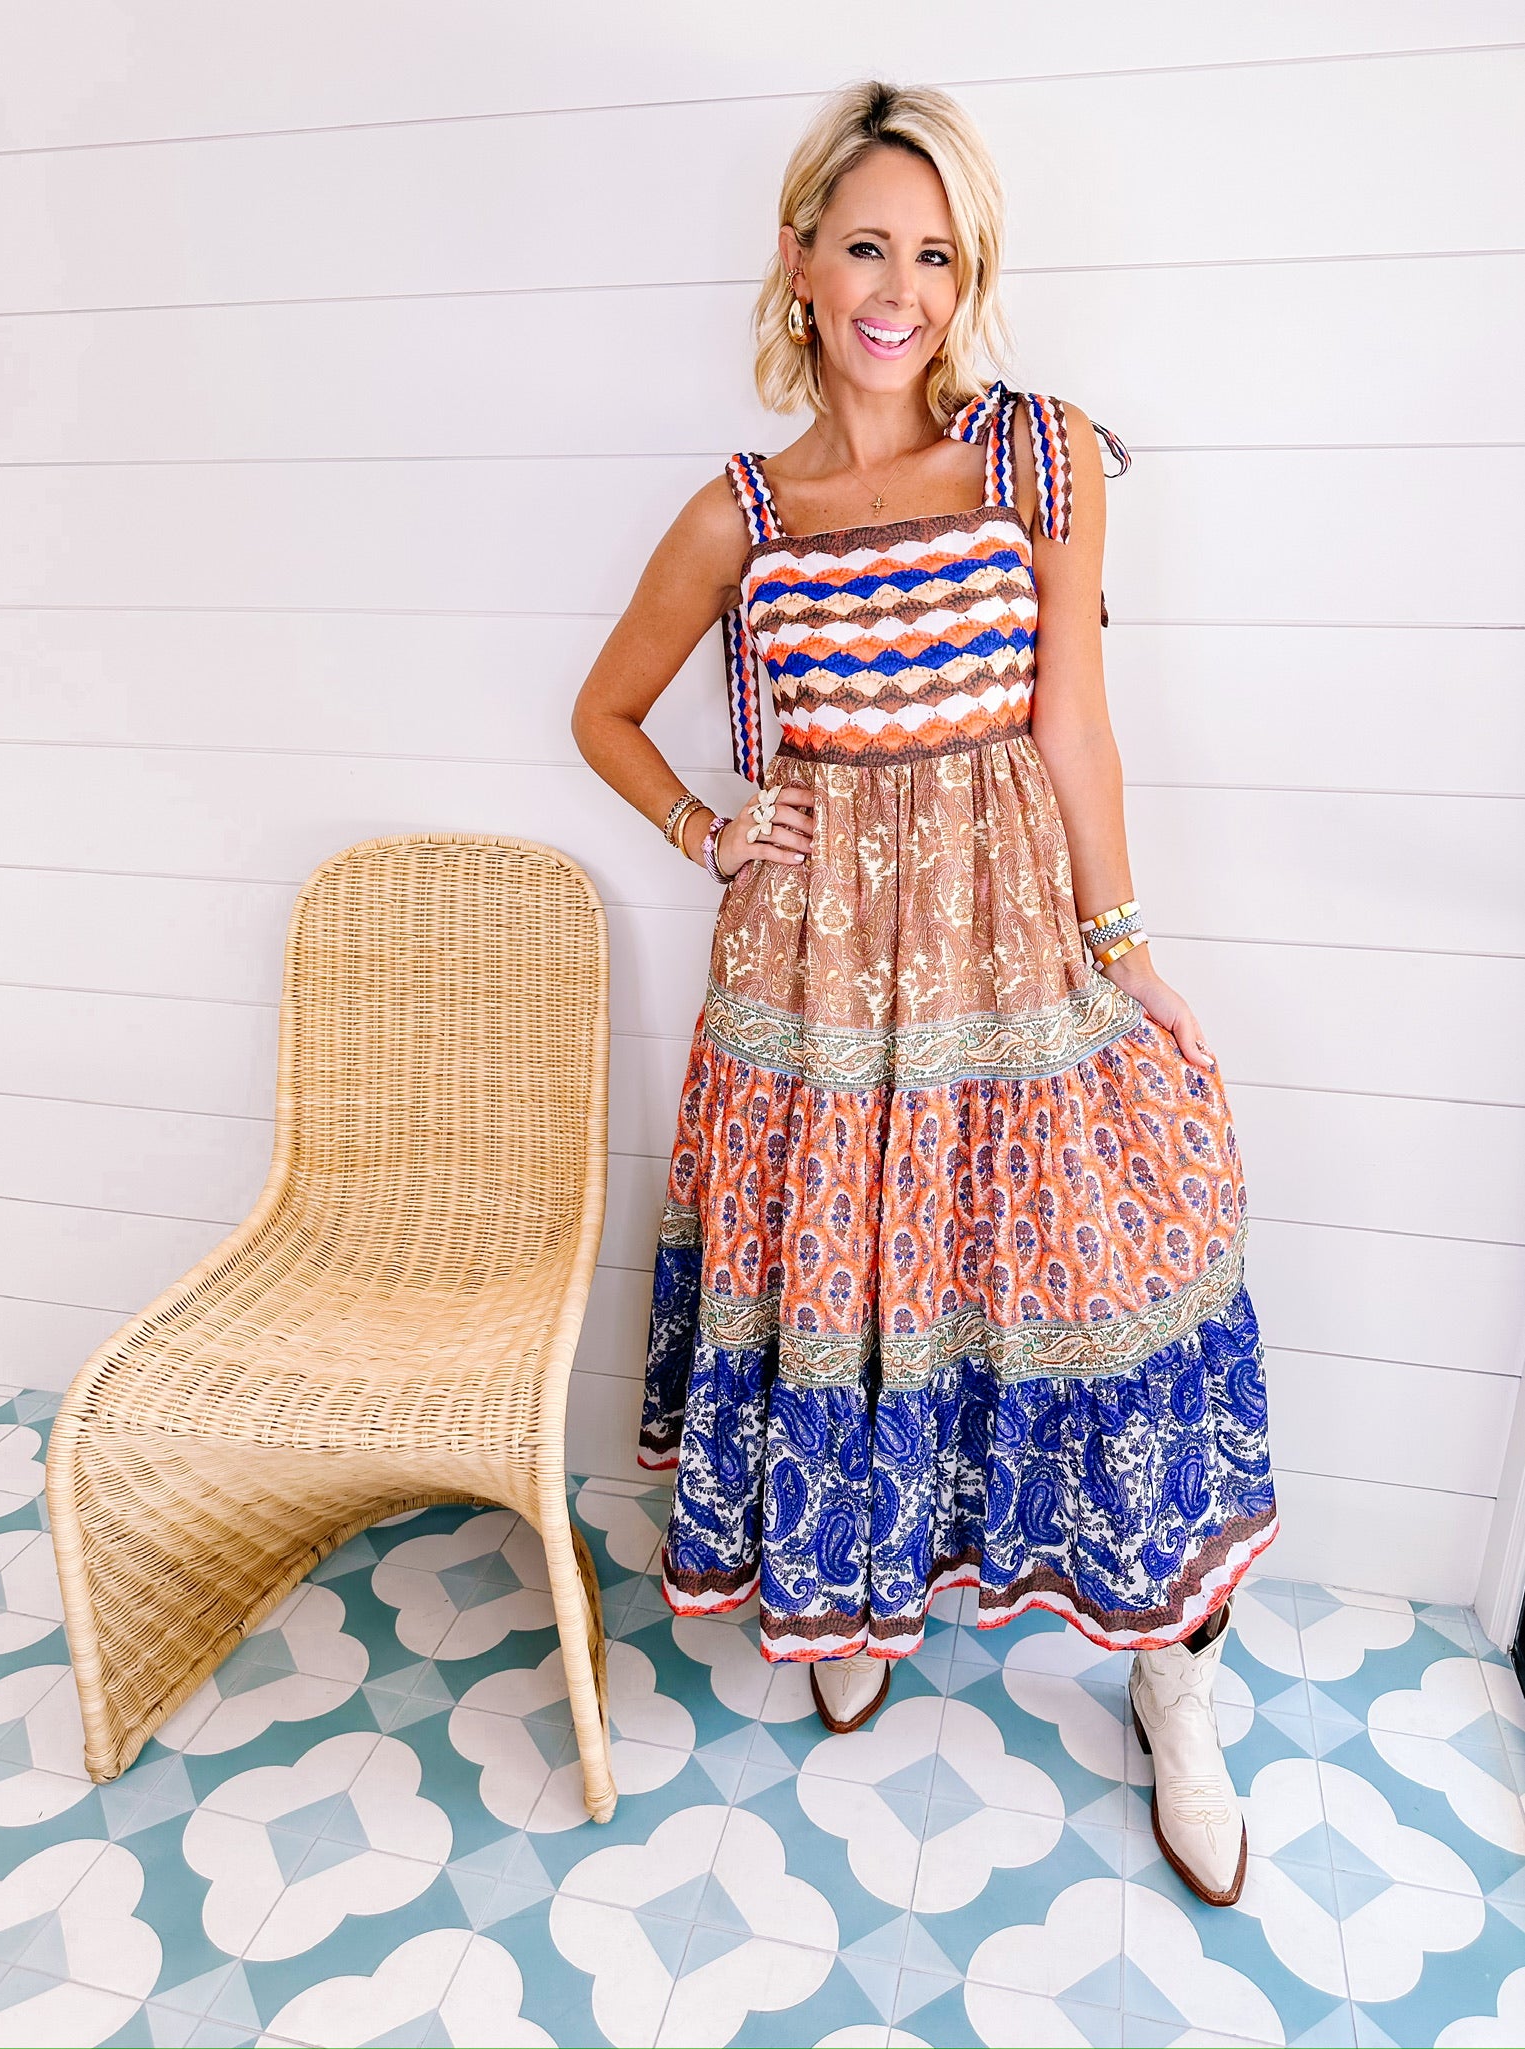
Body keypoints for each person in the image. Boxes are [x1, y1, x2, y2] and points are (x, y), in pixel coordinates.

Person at [570, 78, 1277, 1909]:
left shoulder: (1038, 457)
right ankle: (853, 1587)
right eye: (868, 247)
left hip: (1010, 944)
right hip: (809, 978)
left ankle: (1172, 1675)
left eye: (937, 256)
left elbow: (1072, 725)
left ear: (969, 278)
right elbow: (604, 712)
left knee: (1108, 1271)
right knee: (849, 1289)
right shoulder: (740, 513)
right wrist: (709, 828)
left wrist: (1127, 950)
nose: (899, 290)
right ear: (800, 259)